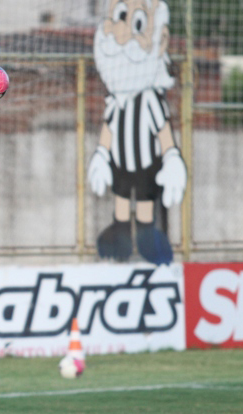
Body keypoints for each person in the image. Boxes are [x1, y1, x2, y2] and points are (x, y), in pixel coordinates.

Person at [87, 0, 186, 265]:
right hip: (120, 166)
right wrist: (100, 155)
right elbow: (108, 128)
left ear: (160, 40)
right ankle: (119, 233)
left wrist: (173, 158)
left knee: (144, 204)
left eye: (138, 23)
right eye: (119, 17)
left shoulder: (151, 100)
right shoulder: (116, 100)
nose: (123, 33)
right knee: (121, 200)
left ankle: (146, 238)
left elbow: (163, 130)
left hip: (146, 166)